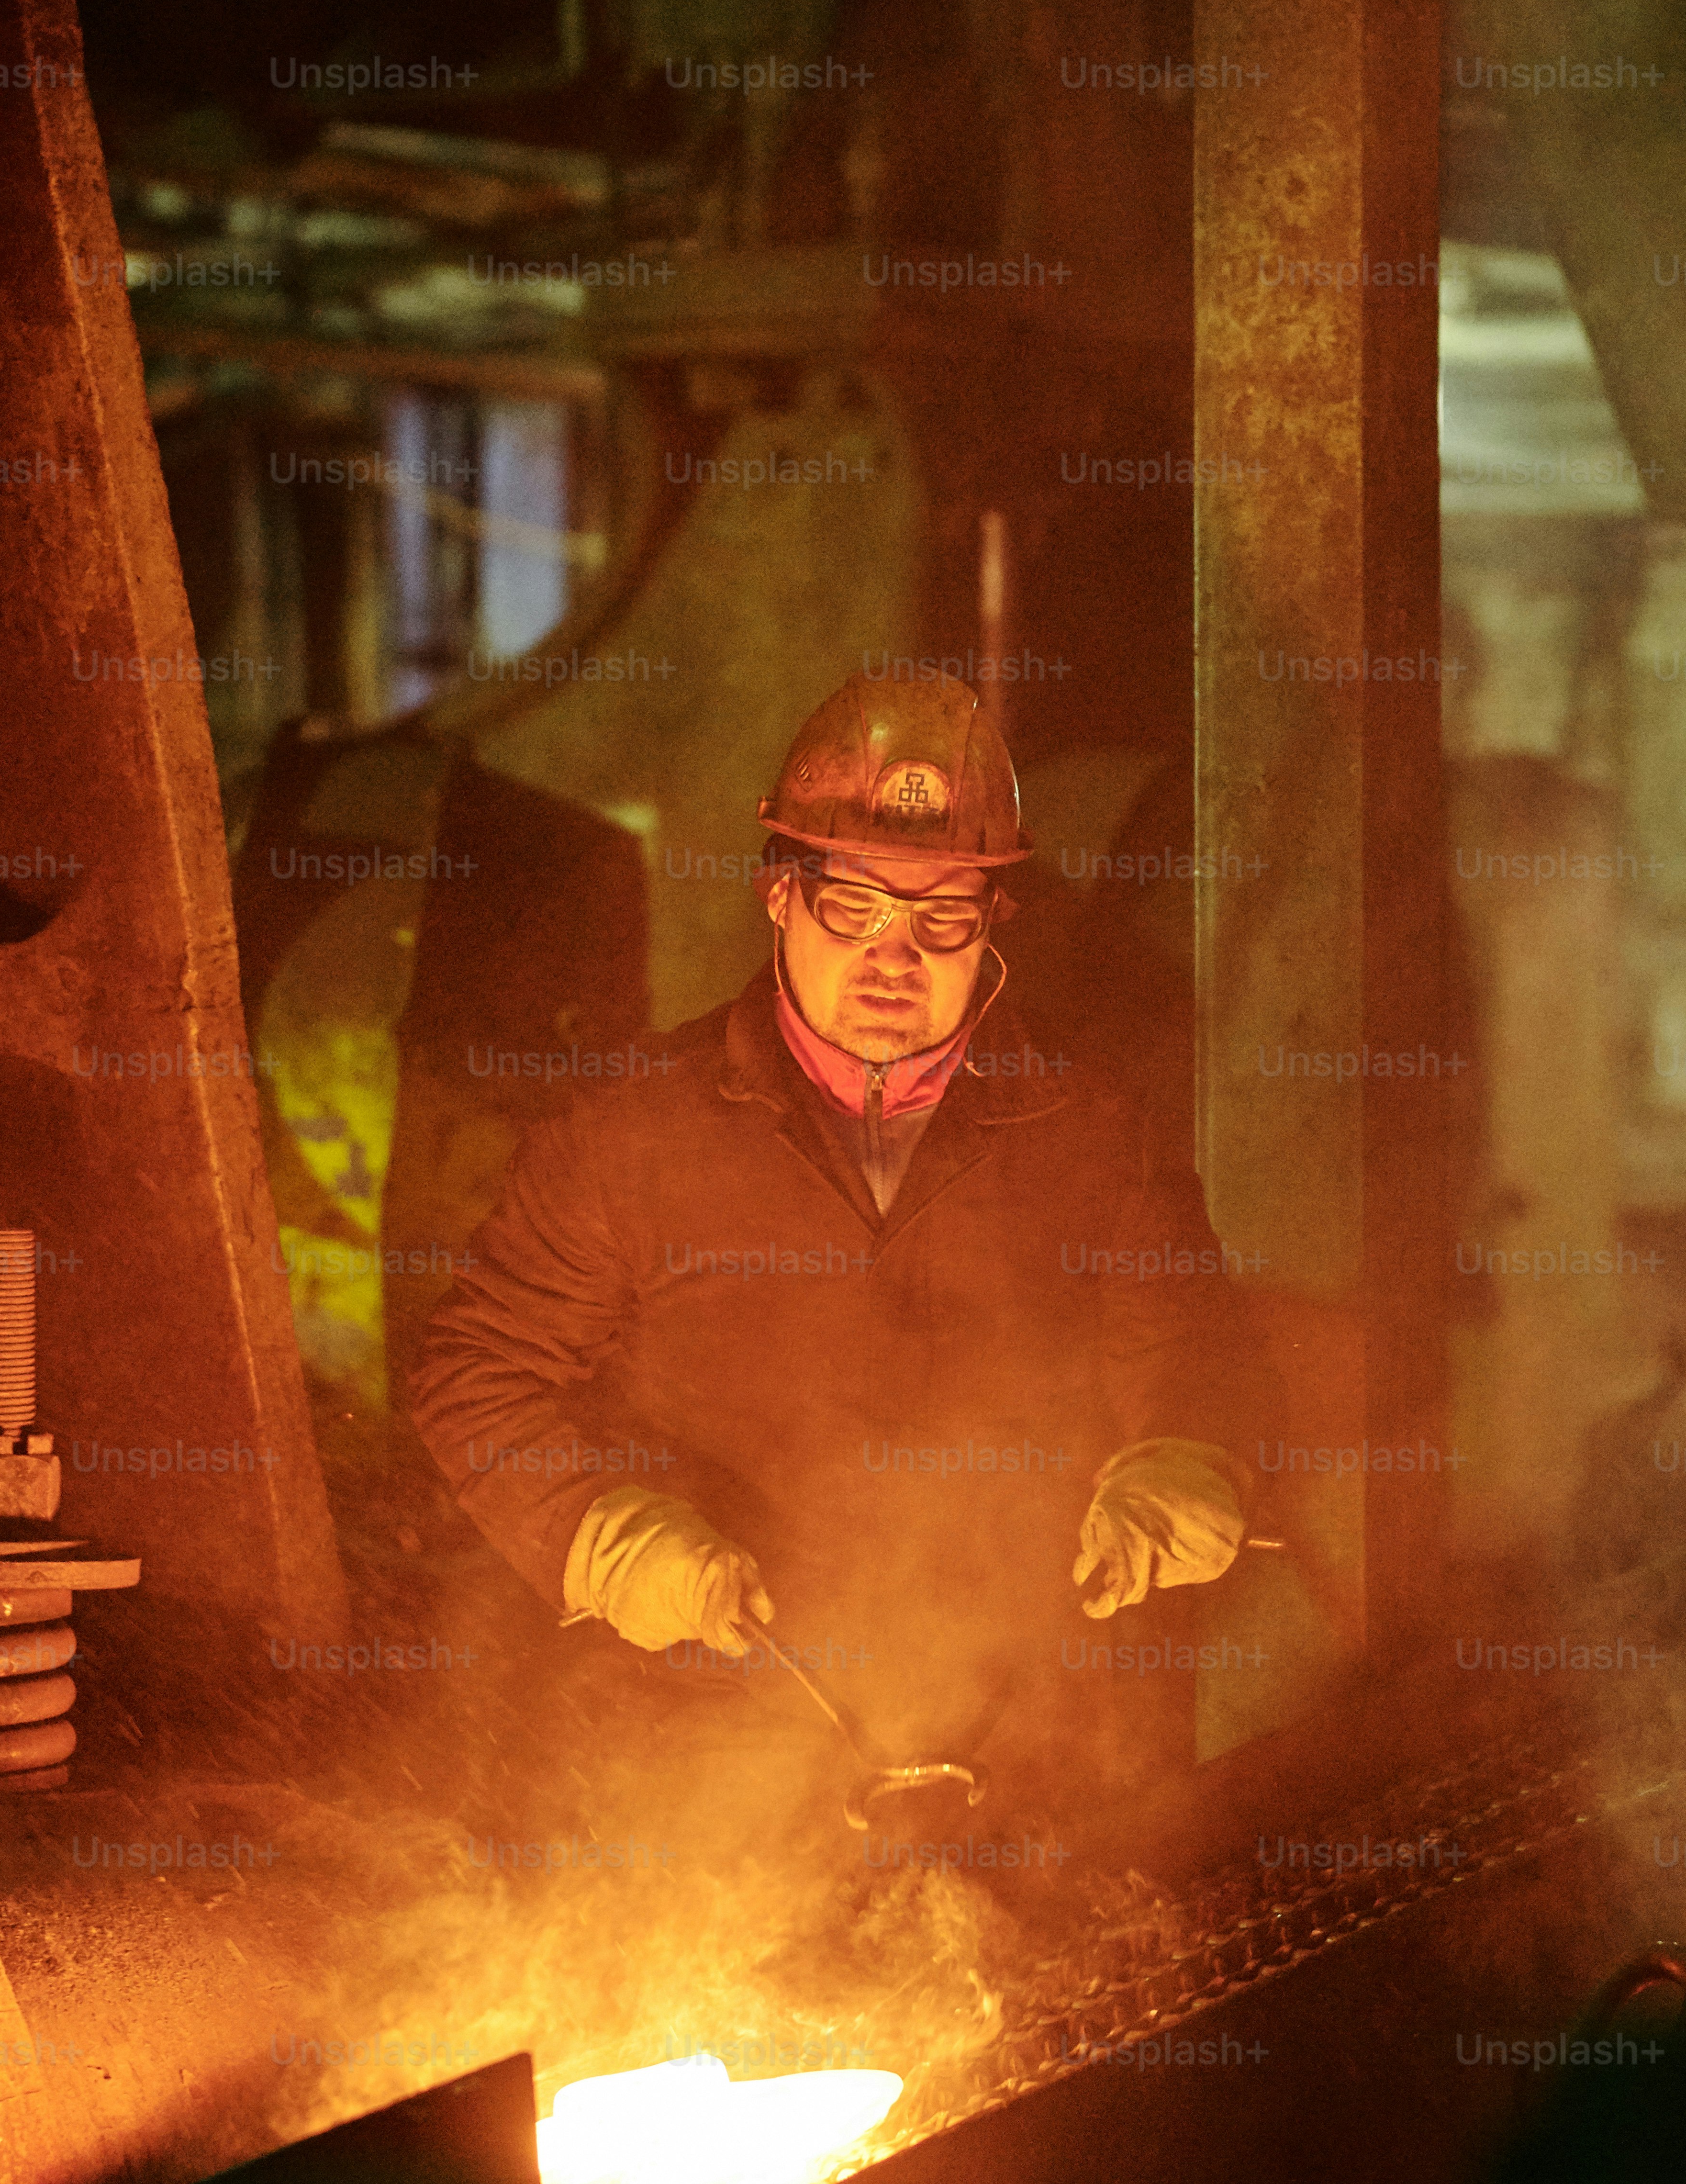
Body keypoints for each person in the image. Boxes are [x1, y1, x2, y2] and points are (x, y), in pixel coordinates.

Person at [405, 672, 1272, 1815]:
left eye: (940, 918)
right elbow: (477, 1373)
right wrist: (600, 1535)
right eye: (852, 907)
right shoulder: (632, 1136)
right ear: (779, 897)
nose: (893, 959)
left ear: (992, 926)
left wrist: (1188, 1461)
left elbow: (1202, 1355)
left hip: (1037, 1751)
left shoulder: (1095, 1137)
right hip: (712, 1761)